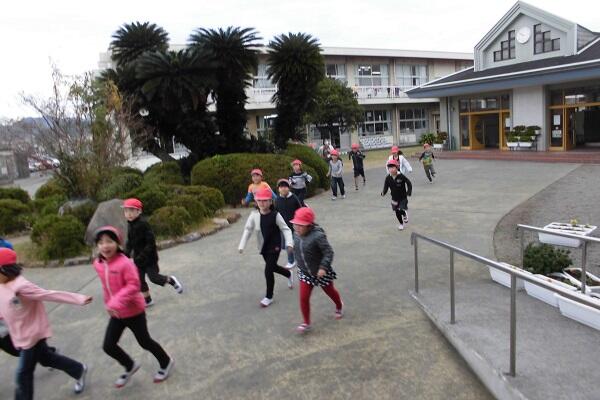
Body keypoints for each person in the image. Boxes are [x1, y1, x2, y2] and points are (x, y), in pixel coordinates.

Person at [0, 247, 92, 399]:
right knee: (47, 359)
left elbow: (48, 294)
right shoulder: (2, 284)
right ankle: (79, 369)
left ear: (4, 269)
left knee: (23, 373)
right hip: (20, 335)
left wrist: (78, 298)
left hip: (32, 335)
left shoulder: (22, 287)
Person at [93, 226, 174, 388]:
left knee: (145, 341)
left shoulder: (125, 263)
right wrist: (109, 303)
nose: (105, 246)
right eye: (101, 243)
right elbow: (106, 286)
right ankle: (130, 365)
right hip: (116, 313)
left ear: (118, 243)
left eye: (109, 241)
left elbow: (133, 285)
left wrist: (115, 302)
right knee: (108, 346)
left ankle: (166, 362)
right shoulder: (99, 264)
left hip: (133, 312)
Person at [290, 207, 343, 333]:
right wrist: (293, 254)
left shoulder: (318, 236)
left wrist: (323, 267)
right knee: (303, 298)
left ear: (309, 225)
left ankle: (339, 305)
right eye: (295, 224)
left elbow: (328, 252)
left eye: (301, 225)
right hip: (305, 273)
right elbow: (298, 249)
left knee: (330, 291)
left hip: (321, 272)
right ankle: (306, 323)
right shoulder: (295, 234)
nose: (297, 228)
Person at [238, 187, 294, 307]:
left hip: (275, 246)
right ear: (256, 201)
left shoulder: (275, 215)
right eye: (259, 200)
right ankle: (288, 274)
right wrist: (242, 245)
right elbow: (248, 230)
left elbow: (286, 229)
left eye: (265, 200)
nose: (262, 203)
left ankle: (269, 297)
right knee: (273, 267)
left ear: (270, 201)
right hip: (263, 247)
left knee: (268, 270)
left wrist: (289, 243)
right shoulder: (254, 215)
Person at [122, 198, 183, 307]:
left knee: (154, 278)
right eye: (126, 211)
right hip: (138, 259)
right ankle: (148, 300)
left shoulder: (144, 224)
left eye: (132, 210)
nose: (129, 214)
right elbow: (130, 242)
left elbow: (151, 243)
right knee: (139, 280)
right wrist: (125, 254)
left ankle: (171, 280)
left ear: (139, 211)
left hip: (149, 258)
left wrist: (143, 255)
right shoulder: (130, 225)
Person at [275, 178, 303, 269]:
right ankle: (292, 260)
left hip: (295, 226)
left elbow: (300, 209)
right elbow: (276, 212)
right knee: (286, 245)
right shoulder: (277, 199)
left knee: (296, 244)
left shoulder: (294, 198)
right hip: (284, 227)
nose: (283, 188)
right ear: (278, 189)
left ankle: (295, 260)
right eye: (281, 187)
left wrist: (300, 222)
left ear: (289, 188)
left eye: (285, 186)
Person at [381, 159, 412, 231]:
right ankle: (401, 224)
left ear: (397, 167)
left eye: (393, 167)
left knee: (401, 209)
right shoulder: (388, 178)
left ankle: (404, 213)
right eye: (389, 168)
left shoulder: (401, 176)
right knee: (397, 211)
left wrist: (409, 192)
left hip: (403, 197)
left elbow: (409, 183)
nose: (391, 169)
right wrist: (383, 193)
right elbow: (386, 187)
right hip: (394, 198)